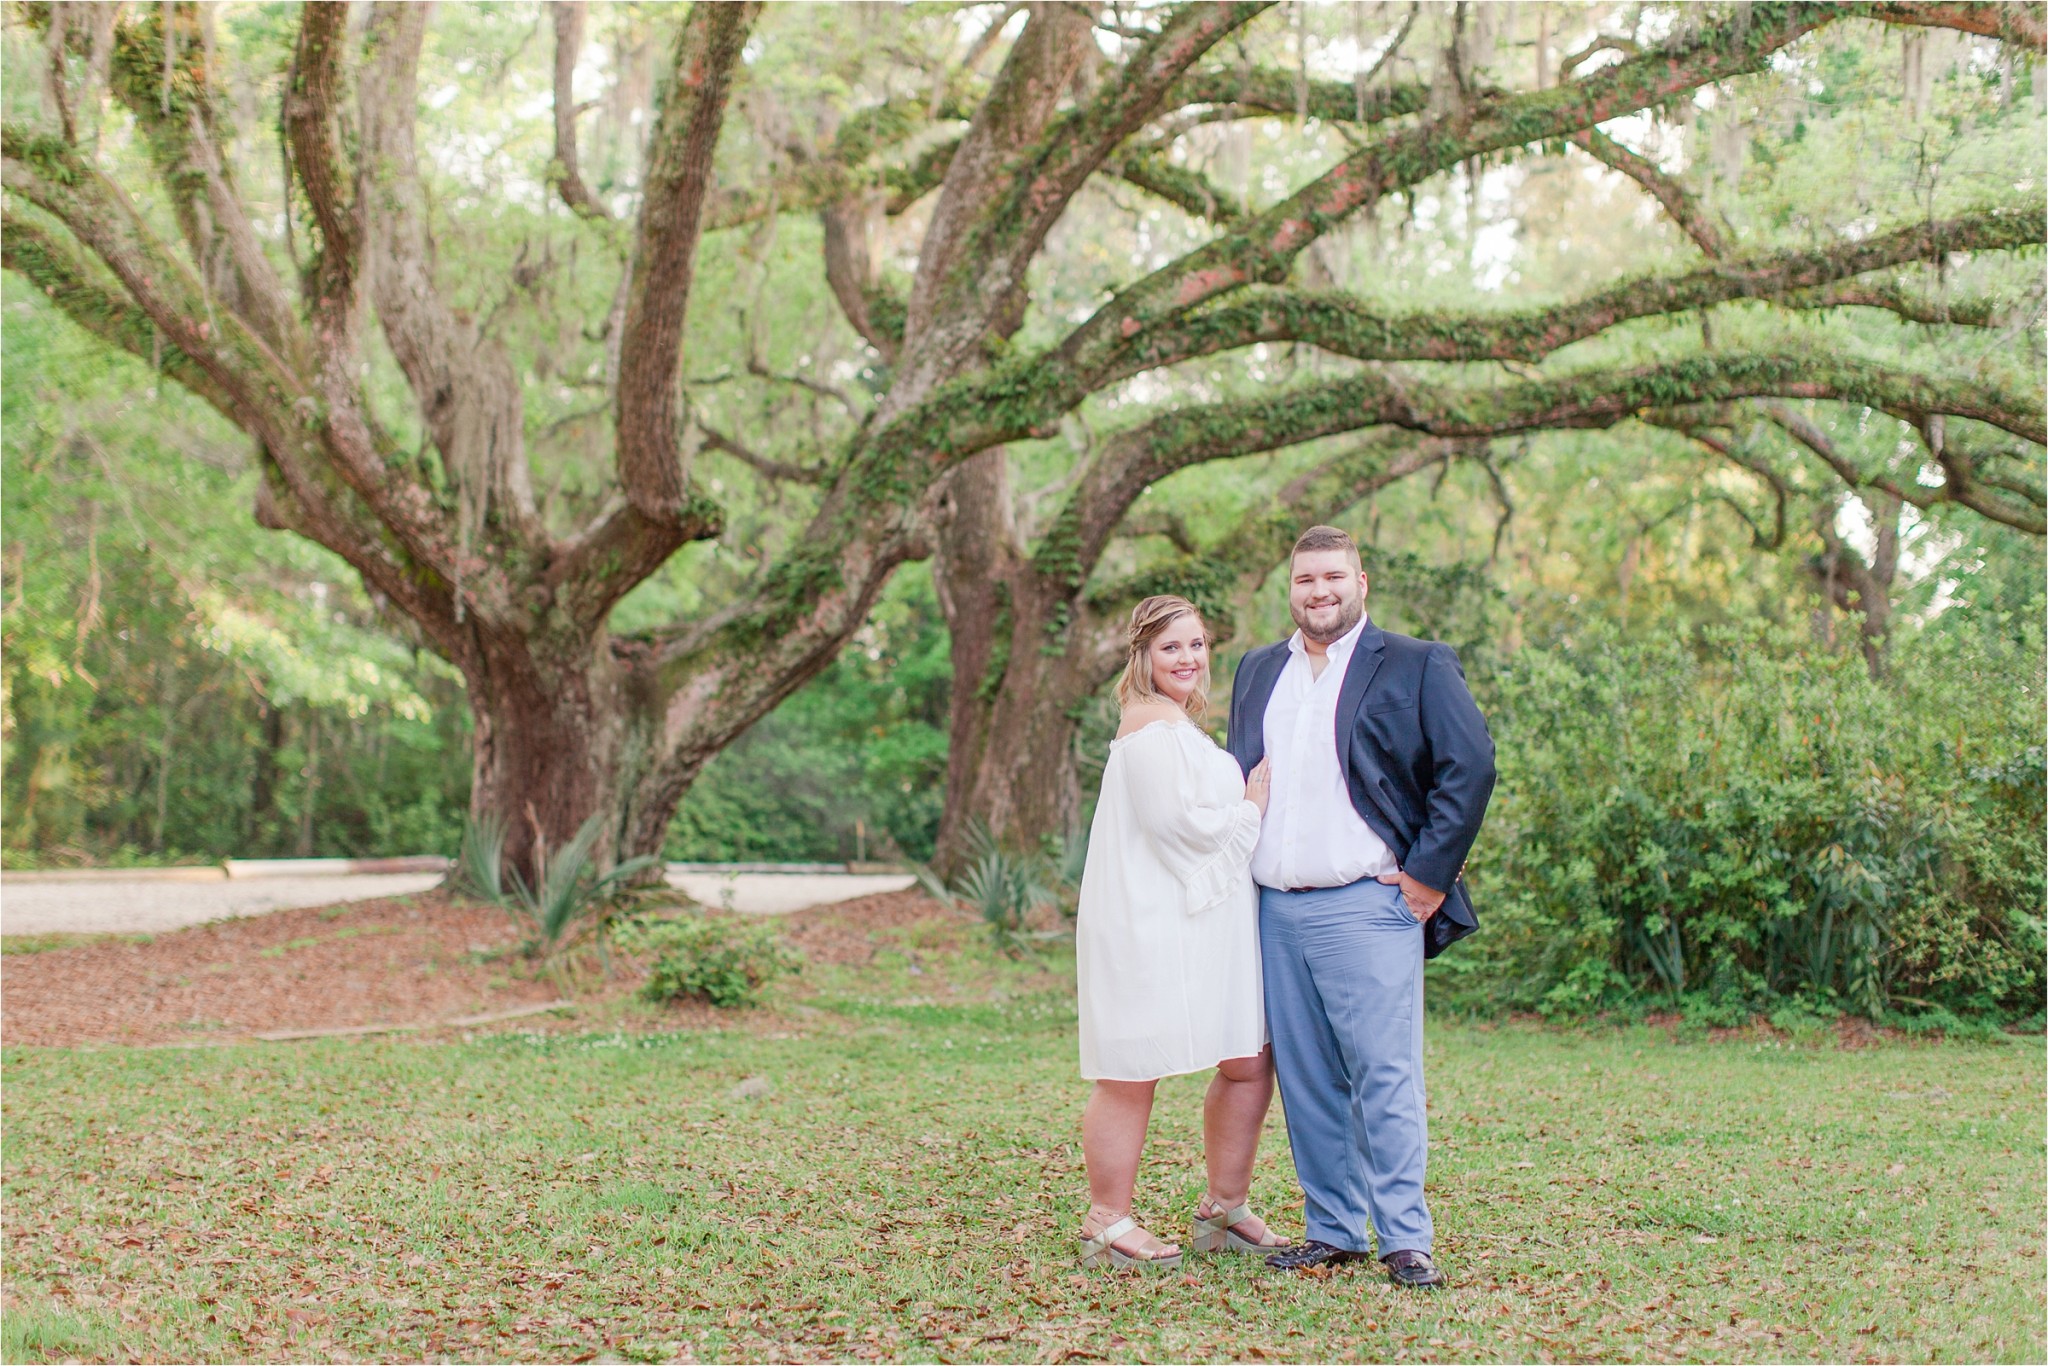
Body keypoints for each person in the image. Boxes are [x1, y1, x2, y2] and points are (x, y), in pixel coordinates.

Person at [1227, 526, 1496, 1290]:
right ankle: (1333, 1229)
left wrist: (1427, 877)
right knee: (1308, 1079)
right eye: (1306, 579)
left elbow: (1468, 766)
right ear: (1292, 588)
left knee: (1384, 1074)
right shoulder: (1257, 672)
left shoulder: (1413, 664)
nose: (1320, 592)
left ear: (1361, 582)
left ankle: (1406, 1239)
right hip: (1276, 910)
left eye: (1334, 577)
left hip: (1370, 904)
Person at [1073, 594, 1291, 1270]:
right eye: (1171, 647)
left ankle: (1225, 1209)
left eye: (1196, 646)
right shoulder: (1146, 729)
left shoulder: (1177, 724)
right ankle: (1107, 1220)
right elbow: (1177, 828)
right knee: (1131, 1068)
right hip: (1151, 920)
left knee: (1248, 1060)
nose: (1188, 659)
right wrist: (1251, 810)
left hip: (1208, 923)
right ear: (1141, 656)